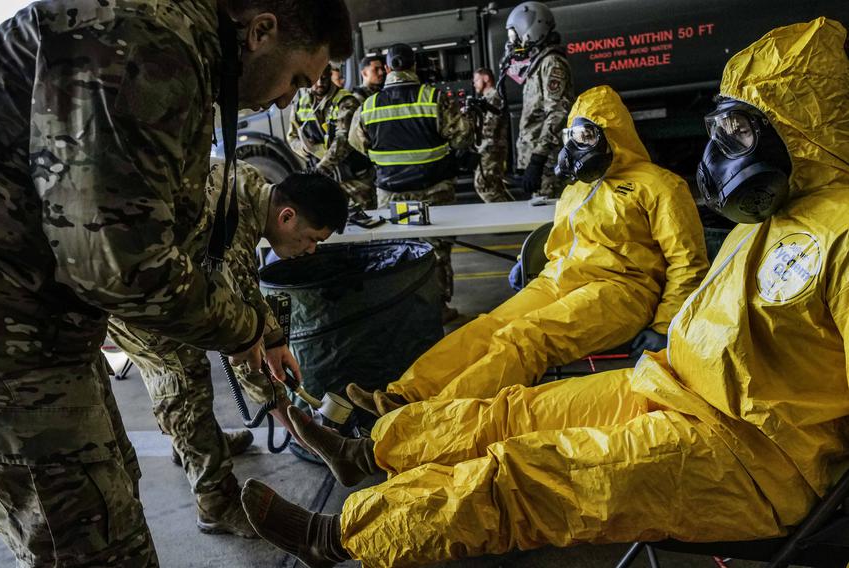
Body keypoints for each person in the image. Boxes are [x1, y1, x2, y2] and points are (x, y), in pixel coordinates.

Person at [240, 18, 849, 568]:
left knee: (530, 474)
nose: (727, 153)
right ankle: (373, 446)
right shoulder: (776, 215)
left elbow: (687, 266)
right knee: (511, 406)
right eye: (727, 130)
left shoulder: (832, 234)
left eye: (744, 132)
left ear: (803, 127)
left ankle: (343, 537)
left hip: (752, 452)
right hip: (671, 384)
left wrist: (661, 324)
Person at [0, 0, 352, 565]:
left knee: (112, 491)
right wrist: (255, 336)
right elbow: (122, 267)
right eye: (296, 78)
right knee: (88, 540)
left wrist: (257, 337)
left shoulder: (178, 43)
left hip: (31, 312)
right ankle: (215, 499)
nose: (288, 99)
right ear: (260, 32)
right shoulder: (149, 41)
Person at [348, 84, 709, 416]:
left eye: (587, 135)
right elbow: (563, 243)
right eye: (573, 135)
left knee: (525, 338)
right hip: (559, 279)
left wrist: (666, 323)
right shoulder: (576, 189)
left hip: (622, 291)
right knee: (486, 327)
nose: (576, 145)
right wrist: (533, 265)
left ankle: (430, 416)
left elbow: (687, 261)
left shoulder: (659, 185)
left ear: (610, 134)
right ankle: (403, 395)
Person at [107, 165, 348, 537]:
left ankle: (192, 444)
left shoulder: (250, 186)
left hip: (160, 274)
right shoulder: (235, 221)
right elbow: (241, 343)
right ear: (287, 217)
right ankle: (215, 503)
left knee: (222, 355)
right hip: (134, 295)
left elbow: (246, 293)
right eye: (311, 238)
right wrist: (295, 424)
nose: (311, 250)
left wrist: (275, 340)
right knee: (184, 382)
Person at [348, 42, 472, 323]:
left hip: (391, 195)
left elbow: (356, 143)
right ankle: (439, 309)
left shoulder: (368, 106)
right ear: (414, 66)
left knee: (397, 250)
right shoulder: (433, 98)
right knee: (436, 250)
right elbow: (463, 136)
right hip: (435, 191)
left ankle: (403, 311)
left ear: (389, 68)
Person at [509, 1, 575, 198]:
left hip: (548, 163)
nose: (514, 42)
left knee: (550, 222)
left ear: (531, 30)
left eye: (516, 35)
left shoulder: (551, 63)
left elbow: (558, 112)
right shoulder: (539, 63)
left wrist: (537, 159)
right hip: (541, 162)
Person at [287, 65, 377, 209]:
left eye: (324, 78)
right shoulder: (300, 104)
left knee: (365, 220)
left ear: (330, 75)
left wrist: (320, 170)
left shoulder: (346, 101)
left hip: (353, 178)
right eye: (316, 79)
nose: (320, 83)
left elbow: (343, 141)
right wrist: (303, 148)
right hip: (325, 181)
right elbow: (292, 137)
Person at [471, 67, 513, 203]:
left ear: (486, 78)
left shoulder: (494, 96)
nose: (474, 84)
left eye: (476, 79)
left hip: (491, 148)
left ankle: (503, 215)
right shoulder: (487, 98)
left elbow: (490, 126)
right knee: (495, 186)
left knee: (484, 185)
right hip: (490, 147)